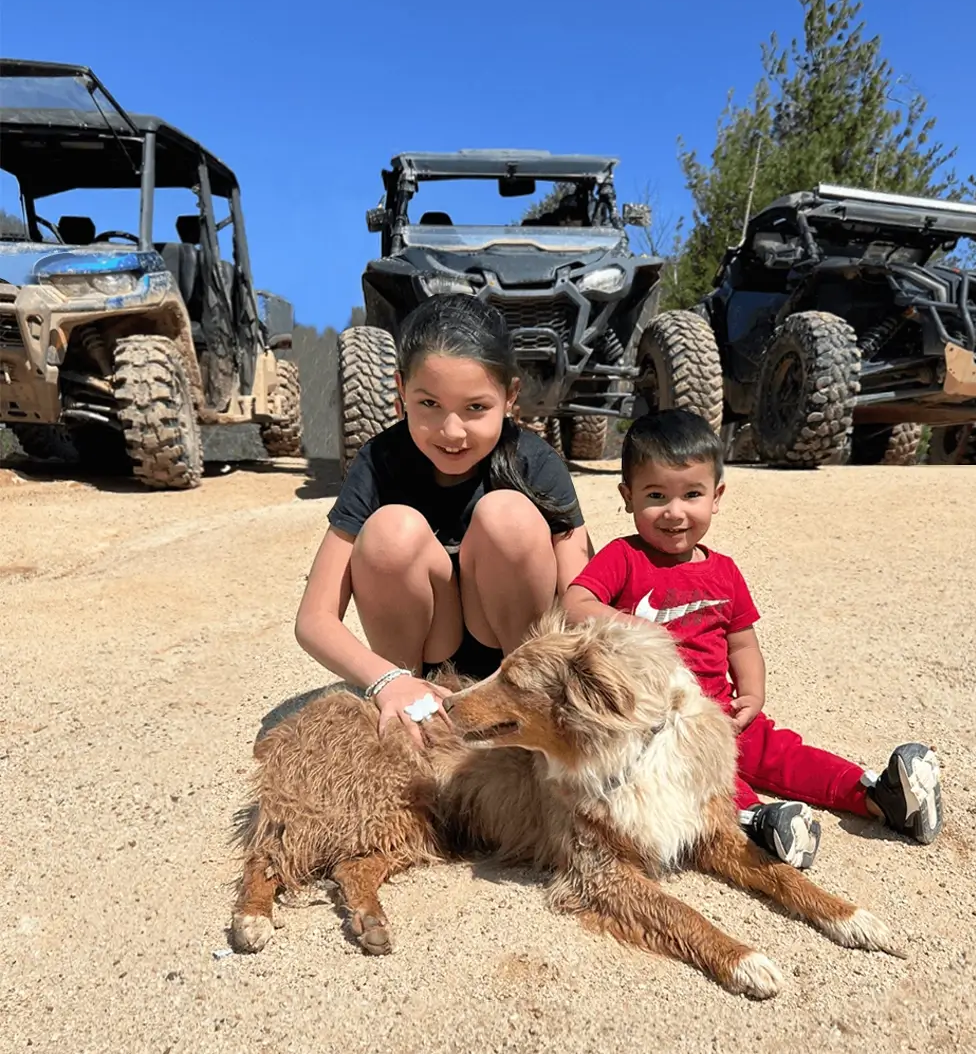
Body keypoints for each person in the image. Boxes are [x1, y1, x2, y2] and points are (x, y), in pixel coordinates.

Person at [562, 408, 943, 869]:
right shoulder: (624, 557)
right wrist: (626, 624)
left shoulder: (724, 572)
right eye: (656, 495)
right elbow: (576, 604)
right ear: (628, 496)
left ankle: (878, 795)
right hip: (658, 722)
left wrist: (753, 693)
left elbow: (742, 643)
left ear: (716, 496)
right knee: (701, 773)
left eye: (692, 494)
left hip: (723, 711)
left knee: (784, 754)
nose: (675, 512)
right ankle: (757, 824)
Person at [295, 294, 593, 746]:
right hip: (418, 668)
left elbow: (582, 599)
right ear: (400, 391)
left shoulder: (535, 461)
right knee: (390, 530)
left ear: (510, 397)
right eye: (429, 404)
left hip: (514, 658)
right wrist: (385, 680)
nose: (452, 431)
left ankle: (520, 713)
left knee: (507, 514)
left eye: (476, 408)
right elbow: (314, 619)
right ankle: (410, 720)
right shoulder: (379, 463)